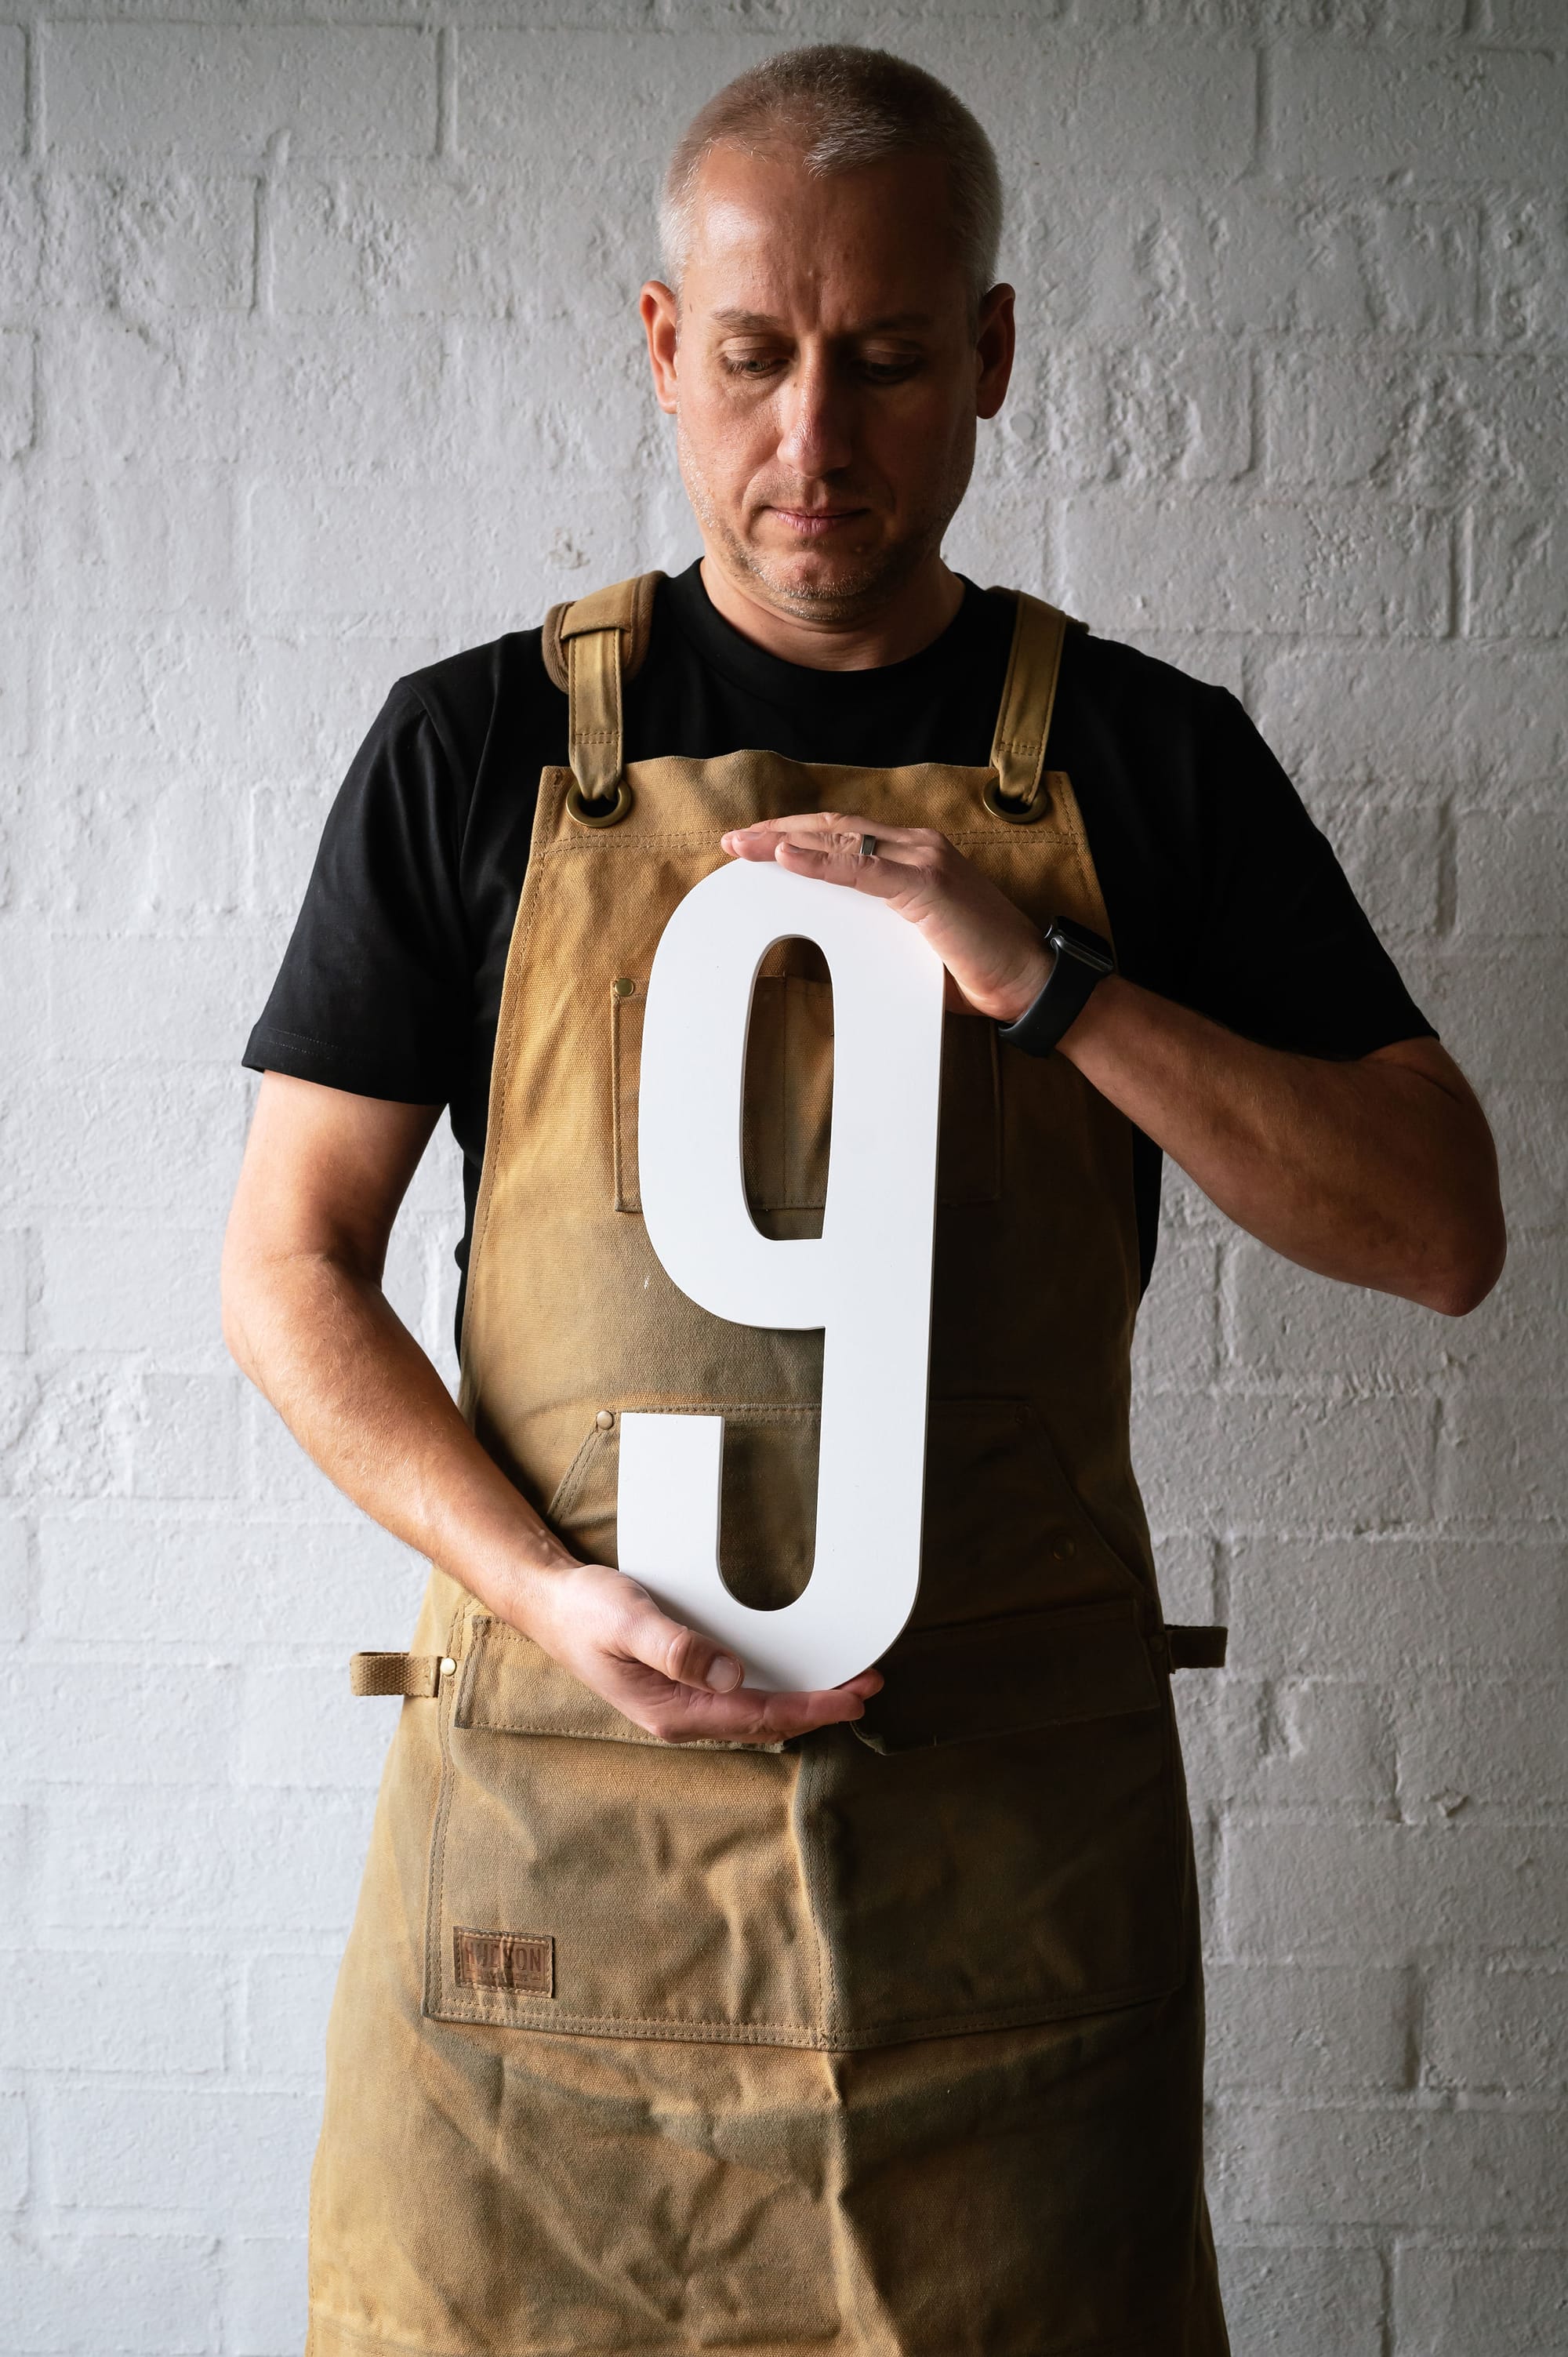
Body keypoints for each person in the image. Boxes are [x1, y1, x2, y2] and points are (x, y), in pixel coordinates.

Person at [222, 44, 1505, 2357]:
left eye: (892, 361)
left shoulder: (1145, 762)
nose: (815, 441)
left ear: (990, 356)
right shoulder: (477, 749)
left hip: (995, 1909)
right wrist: (535, 1582)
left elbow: (1438, 1228)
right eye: (754, 358)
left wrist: (1061, 988)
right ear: (660, 347)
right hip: (553, 1884)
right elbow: (286, 1267)